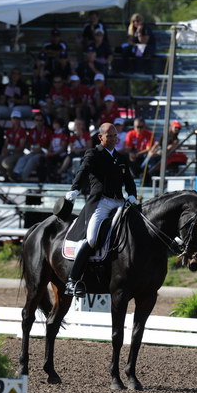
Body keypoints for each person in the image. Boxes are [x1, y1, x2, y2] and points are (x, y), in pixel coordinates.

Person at [64, 122, 138, 297]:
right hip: (101, 202)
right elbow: (83, 172)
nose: (112, 139)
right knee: (91, 239)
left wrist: (132, 195)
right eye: (109, 136)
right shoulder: (93, 154)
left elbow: (129, 180)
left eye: (114, 136)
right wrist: (75, 189)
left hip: (119, 202)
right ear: (101, 137)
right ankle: (72, 280)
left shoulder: (120, 157)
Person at [11, 111, 52, 182]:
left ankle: (22, 178)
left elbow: (51, 145)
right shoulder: (32, 131)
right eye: (36, 120)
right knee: (23, 158)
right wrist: (31, 148)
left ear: (44, 121)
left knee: (32, 160)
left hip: (44, 153)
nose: (38, 122)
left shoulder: (48, 131)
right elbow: (28, 143)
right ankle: (16, 174)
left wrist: (42, 150)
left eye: (40, 120)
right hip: (33, 151)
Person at [0, 109, 27, 180]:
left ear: (20, 120)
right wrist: (4, 150)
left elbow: (21, 147)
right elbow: (6, 143)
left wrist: (10, 150)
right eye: (14, 118)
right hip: (8, 152)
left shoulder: (22, 131)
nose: (15, 120)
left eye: (17, 118)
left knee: (6, 162)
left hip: (17, 153)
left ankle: (12, 177)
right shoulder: (9, 131)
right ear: (11, 119)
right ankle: (6, 177)